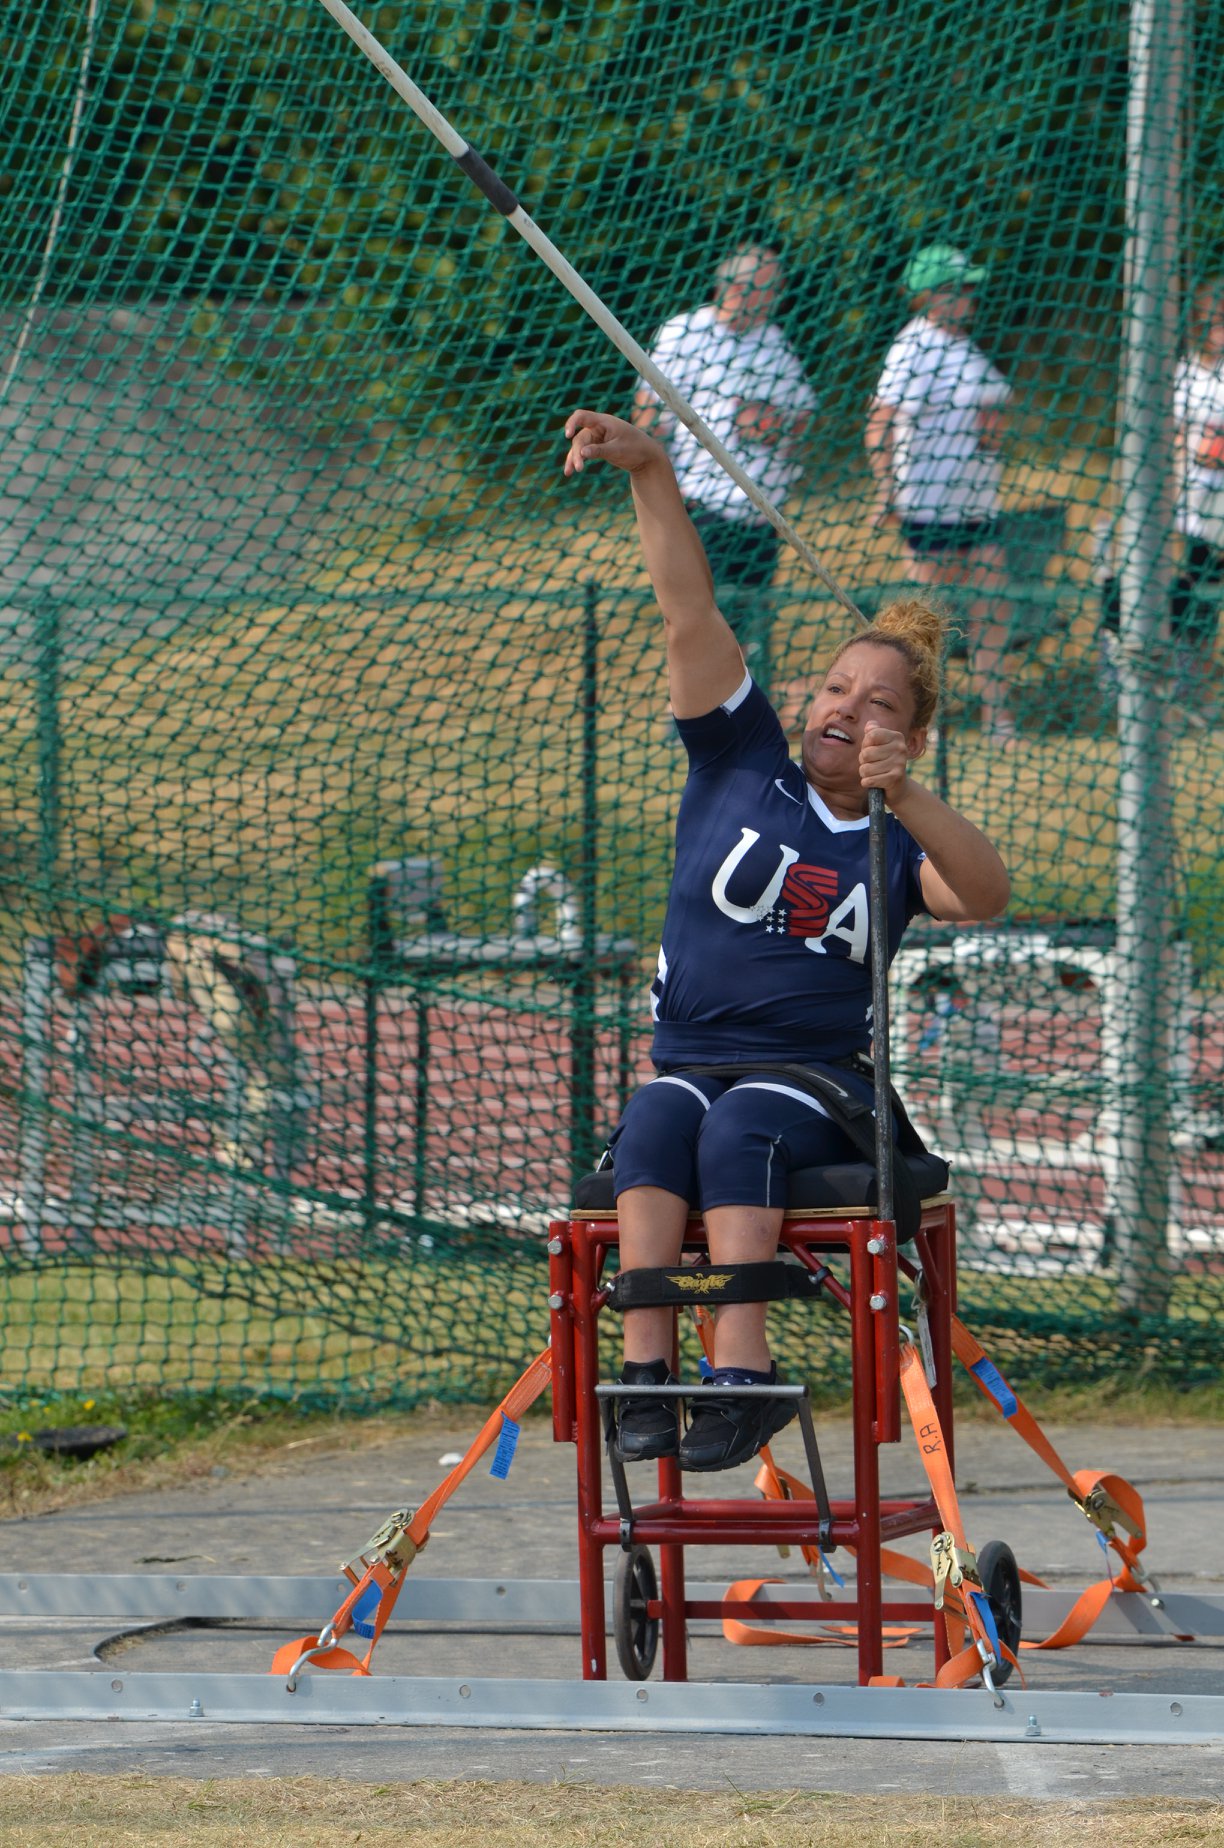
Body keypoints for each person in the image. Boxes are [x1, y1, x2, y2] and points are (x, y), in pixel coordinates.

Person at [563, 407, 1011, 1474]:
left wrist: (904, 790)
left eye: (876, 704)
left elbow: (986, 892)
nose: (844, 710)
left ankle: (743, 1373)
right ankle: (647, 1374)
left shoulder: (898, 839)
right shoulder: (739, 761)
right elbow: (689, 616)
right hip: (691, 1054)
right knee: (655, 1124)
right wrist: (652, 473)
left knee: (742, 1128)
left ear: (908, 731)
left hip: (815, 1083)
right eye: (835, 689)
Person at [631, 244, 818, 690]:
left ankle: (745, 707)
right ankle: (689, 708)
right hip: (702, 505)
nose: (775, 297)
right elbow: (646, 411)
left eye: (777, 288)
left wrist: (775, 427)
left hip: (761, 510)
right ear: (734, 287)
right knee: (700, 615)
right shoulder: (684, 333)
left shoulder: (773, 342)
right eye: (767, 287)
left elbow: (806, 417)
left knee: (753, 621)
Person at [866, 244, 1016, 743]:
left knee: (993, 609)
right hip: (929, 506)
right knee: (931, 622)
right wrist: (887, 490)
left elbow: (994, 411)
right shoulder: (915, 347)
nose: (969, 297)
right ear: (929, 296)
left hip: (978, 502)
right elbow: (879, 420)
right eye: (957, 288)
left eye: (970, 287)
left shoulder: (966, 347)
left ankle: (997, 717)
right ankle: (928, 723)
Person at [1096, 277, 1224, 696]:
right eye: (1215, 322)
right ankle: (1192, 687)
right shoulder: (1185, 377)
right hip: (1194, 509)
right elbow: (1170, 445)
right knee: (1195, 601)